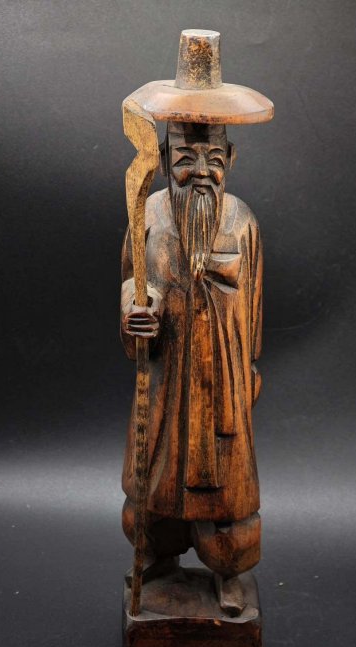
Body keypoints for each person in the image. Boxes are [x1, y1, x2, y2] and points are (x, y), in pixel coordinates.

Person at [120, 118, 263, 616]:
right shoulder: (147, 216)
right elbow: (134, 282)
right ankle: (157, 558)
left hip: (221, 383)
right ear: (163, 159)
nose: (201, 171)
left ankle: (229, 574)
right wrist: (137, 312)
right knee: (149, 494)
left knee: (229, 504)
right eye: (185, 159)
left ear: (231, 159)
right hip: (167, 384)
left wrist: (249, 371)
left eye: (214, 159)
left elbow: (254, 307)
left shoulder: (242, 223)